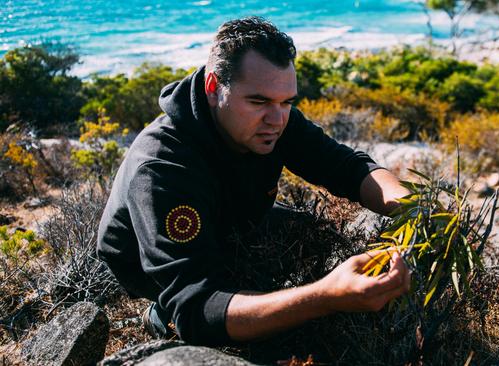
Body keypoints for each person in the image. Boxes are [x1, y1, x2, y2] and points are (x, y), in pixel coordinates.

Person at [96, 16, 411, 348]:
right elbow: (198, 307)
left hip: (231, 220)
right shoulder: (162, 167)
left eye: (287, 101)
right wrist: (324, 297)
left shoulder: (271, 119)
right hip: (155, 261)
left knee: (311, 234)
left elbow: (346, 166)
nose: (276, 119)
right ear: (214, 88)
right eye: (258, 102)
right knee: (240, 318)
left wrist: (409, 204)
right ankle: (161, 315)